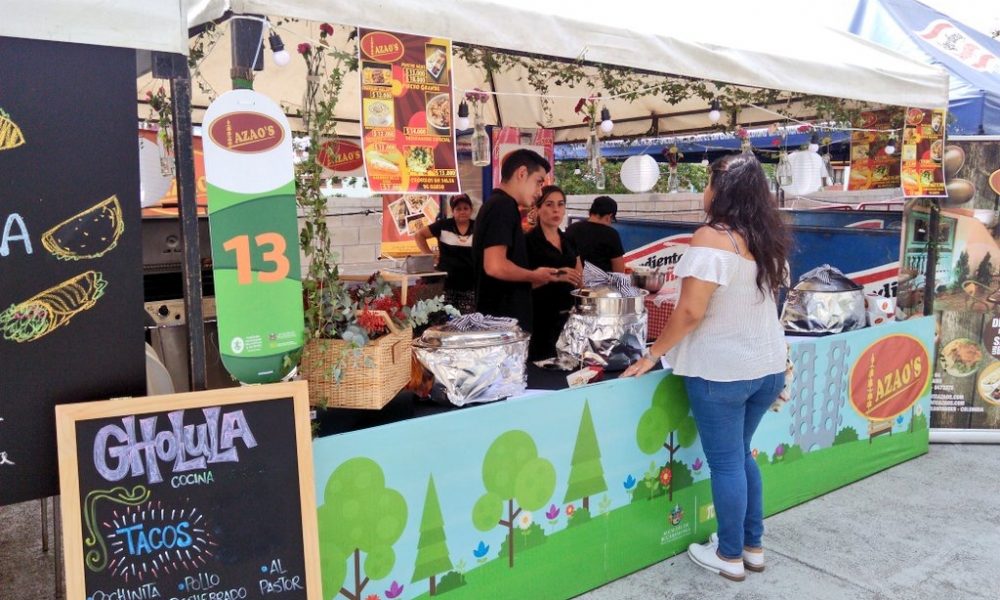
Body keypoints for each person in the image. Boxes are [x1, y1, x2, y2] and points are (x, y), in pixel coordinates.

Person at [621, 153, 790, 583]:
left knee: (728, 463)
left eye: (708, 183)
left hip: (723, 372)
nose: (704, 192)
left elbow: (690, 312)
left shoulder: (712, 238)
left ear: (720, 190)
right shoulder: (767, 240)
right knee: (740, 455)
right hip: (767, 369)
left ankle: (730, 554)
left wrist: (651, 354)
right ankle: (752, 546)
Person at [473, 149, 560, 331]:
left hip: (502, 321)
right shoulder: (502, 206)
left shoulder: (501, 205)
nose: (539, 192)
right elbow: (495, 265)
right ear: (521, 173)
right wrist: (534, 275)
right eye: (538, 182)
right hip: (502, 324)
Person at [525, 185, 583, 360]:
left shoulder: (569, 239)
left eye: (560, 204)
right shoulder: (527, 241)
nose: (556, 210)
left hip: (568, 317)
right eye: (549, 204)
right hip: (539, 317)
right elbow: (520, 284)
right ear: (537, 208)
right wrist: (557, 275)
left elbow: (579, 276)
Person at [415, 194, 476, 314]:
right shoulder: (443, 225)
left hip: (471, 284)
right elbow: (419, 235)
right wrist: (430, 255)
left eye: (465, 208)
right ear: (452, 211)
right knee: (446, 320)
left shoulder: (479, 227)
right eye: (458, 209)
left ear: (471, 210)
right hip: (446, 285)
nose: (462, 212)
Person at [564, 195, 625, 273]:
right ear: (609, 216)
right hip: (603, 284)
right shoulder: (611, 234)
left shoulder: (572, 228)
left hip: (574, 281)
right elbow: (619, 271)